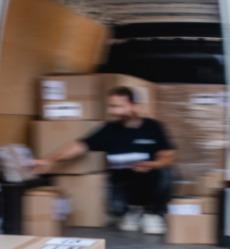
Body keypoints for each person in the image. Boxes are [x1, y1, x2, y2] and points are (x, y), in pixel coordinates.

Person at [34, 87, 175, 234]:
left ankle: (151, 214)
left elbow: (168, 157)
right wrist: (50, 160)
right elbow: (79, 146)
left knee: (166, 172)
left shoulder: (153, 127)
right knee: (116, 209)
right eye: (111, 106)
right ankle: (131, 212)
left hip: (149, 181)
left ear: (135, 106)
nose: (113, 111)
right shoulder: (109, 130)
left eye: (118, 106)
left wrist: (152, 164)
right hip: (122, 182)